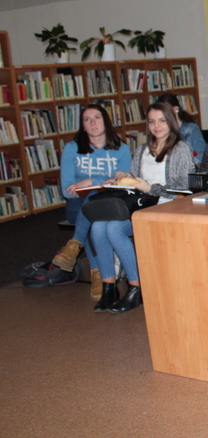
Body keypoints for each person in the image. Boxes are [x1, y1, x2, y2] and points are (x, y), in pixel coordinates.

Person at [92, 102, 194, 314]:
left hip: (166, 206)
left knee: (114, 229)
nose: (156, 126)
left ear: (171, 122)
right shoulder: (141, 150)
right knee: (98, 227)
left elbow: (184, 187)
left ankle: (136, 287)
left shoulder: (180, 149)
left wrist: (151, 188)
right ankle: (109, 287)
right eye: (151, 121)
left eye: (162, 121)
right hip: (141, 205)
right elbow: (136, 184)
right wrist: (127, 178)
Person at [52, 104, 132, 300]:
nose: (93, 123)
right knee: (92, 209)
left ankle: (76, 247)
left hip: (110, 203)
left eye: (97, 117)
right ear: (83, 125)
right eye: (87, 120)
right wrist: (101, 183)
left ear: (106, 121)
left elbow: (122, 184)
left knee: (93, 201)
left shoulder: (121, 149)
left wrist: (91, 181)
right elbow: (67, 190)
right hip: (76, 205)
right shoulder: (72, 149)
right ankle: (99, 274)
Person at [156, 93, 206, 165]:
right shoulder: (161, 131)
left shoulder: (192, 129)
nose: (164, 114)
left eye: (166, 110)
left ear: (176, 109)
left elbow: (201, 156)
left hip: (189, 167)